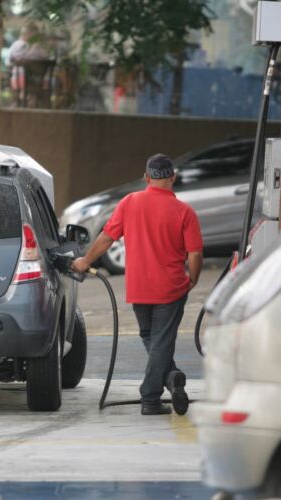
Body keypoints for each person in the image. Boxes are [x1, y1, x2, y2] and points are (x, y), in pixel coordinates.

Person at [72, 154, 203, 416]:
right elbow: (195, 255)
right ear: (173, 178)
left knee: (150, 337)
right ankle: (151, 397)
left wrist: (85, 260)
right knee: (162, 341)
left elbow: (108, 237)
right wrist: (193, 280)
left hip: (139, 288)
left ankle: (171, 378)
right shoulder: (184, 212)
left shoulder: (129, 202)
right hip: (172, 288)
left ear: (146, 178)